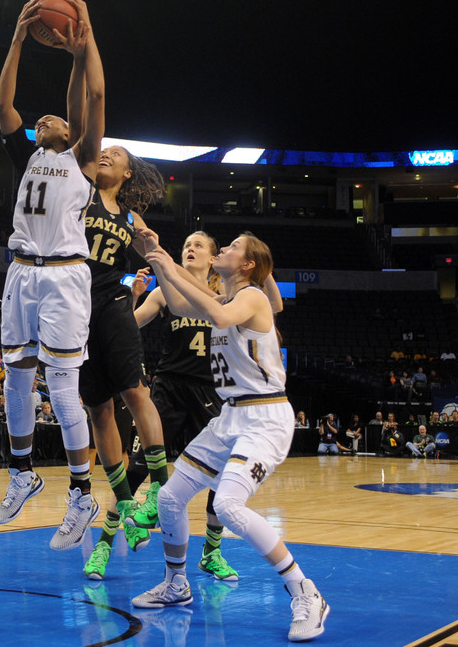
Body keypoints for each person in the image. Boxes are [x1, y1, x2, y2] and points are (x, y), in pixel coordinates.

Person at [132, 229, 329, 642]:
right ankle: (176, 583)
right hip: (230, 416)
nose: (223, 248)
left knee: (228, 504)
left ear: (247, 265)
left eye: (232, 247)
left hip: (265, 415)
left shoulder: (252, 297)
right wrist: (159, 259)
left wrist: (166, 262)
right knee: (168, 497)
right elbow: (186, 300)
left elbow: (219, 316)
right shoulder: (225, 298)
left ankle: (306, 592)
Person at [0, 0, 105, 551]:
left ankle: (83, 494)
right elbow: (2, 107)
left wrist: (84, 47)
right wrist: (16, 39)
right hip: (20, 274)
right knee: (15, 378)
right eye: (42, 119)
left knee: (62, 388)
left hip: (63, 276)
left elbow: (92, 95)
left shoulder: (82, 161)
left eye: (57, 117)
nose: (46, 117)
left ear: (71, 132)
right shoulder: (26, 156)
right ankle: (21, 472)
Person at [76, 139, 169, 568]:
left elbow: (156, 253)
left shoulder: (130, 217)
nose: (106, 155)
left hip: (113, 303)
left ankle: (158, 489)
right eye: (103, 151)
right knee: (98, 411)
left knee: (135, 392)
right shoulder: (80, 192)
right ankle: (128, 509)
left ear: (128, 173)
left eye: (116, 154)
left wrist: (153, 250)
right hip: (76, 308)